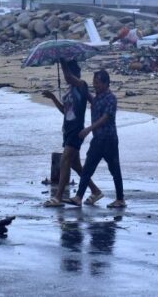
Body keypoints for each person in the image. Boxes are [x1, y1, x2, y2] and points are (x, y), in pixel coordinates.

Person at [42, 60, 103, 207]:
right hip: (68, 130)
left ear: (74, 73)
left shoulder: (82, 86)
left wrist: (61, 60)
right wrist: (53, 98)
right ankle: (95, 191)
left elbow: (68, 77)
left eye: (69, 73)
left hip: (76, 130)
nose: (66, 77)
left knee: (64, 160)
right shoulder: (69, 91)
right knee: (76, 166)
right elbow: (65, 111)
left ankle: (57, 197)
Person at [64, 69, 125, 209]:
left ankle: (120, 199)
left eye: (97, 83)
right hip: (97, 140)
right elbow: (88, 96)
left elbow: (105, 118)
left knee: (115, 170)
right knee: (87, 169)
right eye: (94, 83)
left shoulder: (111, 98)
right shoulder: (96, 98)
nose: (95, 85)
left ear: (105, 83)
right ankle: (79, 197)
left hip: (109, 140)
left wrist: (88, 129)